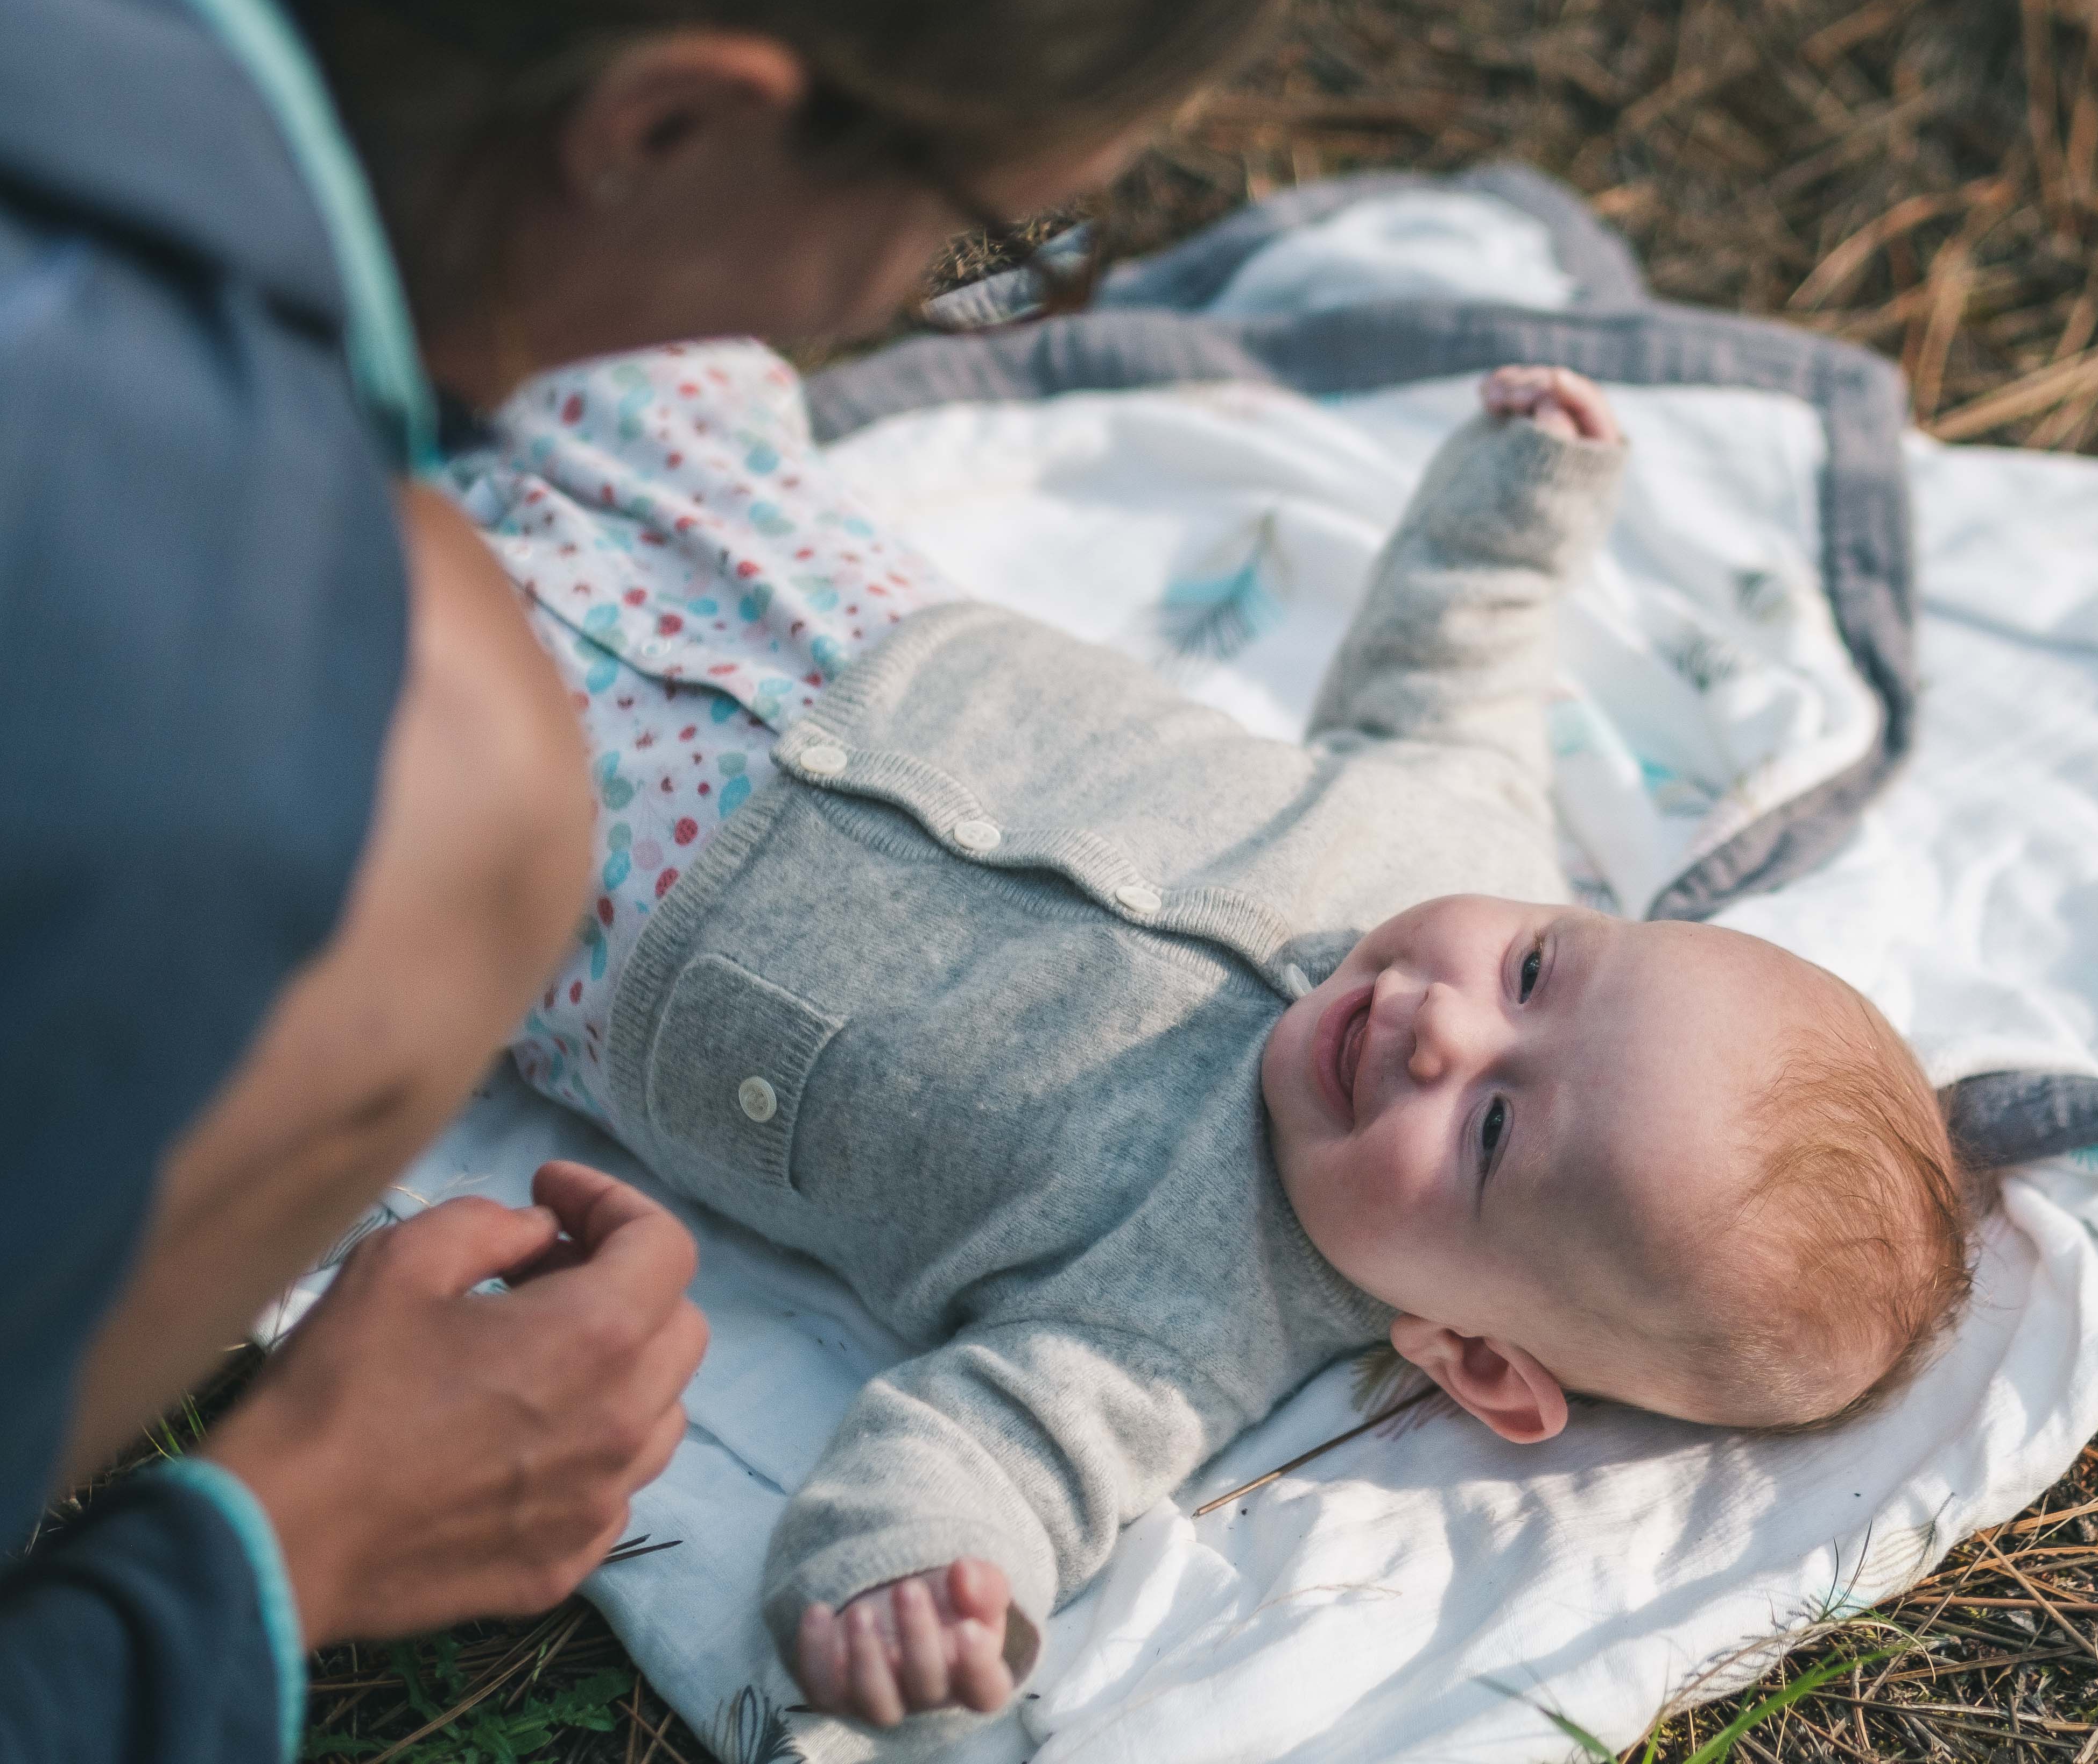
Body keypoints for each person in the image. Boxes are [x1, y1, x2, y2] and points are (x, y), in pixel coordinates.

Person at [0, 0, 1307, 1753]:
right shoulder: (268, 714)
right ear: (670, 122)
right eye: (982, 227)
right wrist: (266, 1550)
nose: (910, 300)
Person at [466, 351, 1984, 1728]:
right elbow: (1450, 663)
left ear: (1476, 1362)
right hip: (832, 615)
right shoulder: (1469, 827)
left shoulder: (1189, 1318)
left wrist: (911, 1579)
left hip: (602, 891)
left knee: (340, 736)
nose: (1443, 1028)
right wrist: (1520, 499)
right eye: (1536, 964)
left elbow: (992, 1451)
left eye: (1496, 1137)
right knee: (626, 356)